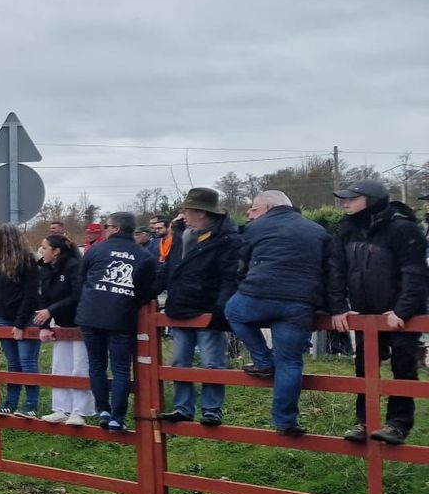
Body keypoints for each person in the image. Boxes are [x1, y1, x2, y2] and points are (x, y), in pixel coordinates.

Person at [226, 190, 346, 437]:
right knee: (290, 362)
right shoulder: (318, 231)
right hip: (301, 302)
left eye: (254, 209)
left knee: (233, 311)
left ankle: (262, 361)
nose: (250, 214)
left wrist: (245, 284)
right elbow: (332, 273)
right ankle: (285, 421)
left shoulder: (255, 229)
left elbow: (240, 265)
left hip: (260, 293)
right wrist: (335, 308)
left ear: (269, 208)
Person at [331, 180, 428, 445]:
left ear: (371, 200)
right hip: (366, 314)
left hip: (401, 315)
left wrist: (402, 310)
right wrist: (339, 307)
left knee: (403, 366)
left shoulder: (402, 228)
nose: (345, 204)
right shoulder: (347, 229)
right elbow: (336, 268)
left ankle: (398, 424)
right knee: (364, 367)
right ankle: (364, 421)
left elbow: (415, 273)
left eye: (352, 199)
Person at [158, 188, 240, 426]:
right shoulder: (181, 237)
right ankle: (183, 407)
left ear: (201, 213)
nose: (182, 215)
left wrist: (221, 308)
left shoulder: (226, 239)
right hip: (180, 307)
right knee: (179, 362)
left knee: (211, 362)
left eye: (187, 211)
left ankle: (212, 409)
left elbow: (229, 277)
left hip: (207, 308)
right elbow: (169, 269)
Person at [76, 213, 158, 432]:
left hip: (91, 314)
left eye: (107, 226)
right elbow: (147, 290)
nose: (104, 229)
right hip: (121, 316)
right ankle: (117, 418)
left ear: (116, 229)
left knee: (97, 365)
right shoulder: (144, 256)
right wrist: (130, 301)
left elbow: (81, 279)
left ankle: (103, 409)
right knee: (121, 368)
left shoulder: (96, 250)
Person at [31, 233, 91, 425]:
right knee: (59, 366)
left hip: (80, 324)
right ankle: (60, 409)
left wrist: (51, 310)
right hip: (61, 324)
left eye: (45, 247)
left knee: (79, 367)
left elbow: (76, 295)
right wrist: (44, 326)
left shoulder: (74, 266)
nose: (42, 251)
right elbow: (43, 297)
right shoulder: (45, 268)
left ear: (56, 251)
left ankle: (79, 411)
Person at [0, 223, 41, 418]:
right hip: (3, 316)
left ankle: (31, 404)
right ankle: (10, 403)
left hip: (26, 317)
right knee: (13, 362)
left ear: (5, 240)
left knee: (27, 361)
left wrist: (19, 324)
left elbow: (31, 295)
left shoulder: (27, 261)